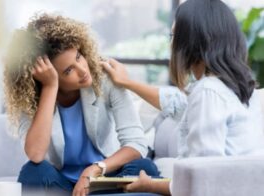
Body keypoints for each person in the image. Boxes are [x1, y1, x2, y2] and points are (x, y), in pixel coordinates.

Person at [102, 0, 264, 195]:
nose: (171, 44)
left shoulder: (208, 92)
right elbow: (176, 102)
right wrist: (126, 82)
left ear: (192, 41)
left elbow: (203, 179)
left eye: (173, 36)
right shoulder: (237, 90)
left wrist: (150, 185)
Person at [3, 14, 159, 196]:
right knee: (33, 171)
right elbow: (36, 155)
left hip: (105, 178)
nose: (83, 70)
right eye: (69, 70)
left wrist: (95, 169)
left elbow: (136, 143)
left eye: (78, 57)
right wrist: (50, 88)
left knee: (144, 167)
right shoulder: (30, 97)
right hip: (62, 185)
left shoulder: (106, 79)